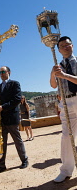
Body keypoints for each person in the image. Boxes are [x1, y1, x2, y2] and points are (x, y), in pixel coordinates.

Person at [50, 36, 77, 182]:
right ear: (59, 50)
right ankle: (66, 170)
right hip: (66, 102)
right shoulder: (58, 65)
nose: (65, 47)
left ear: (72, 46)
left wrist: (65, 75)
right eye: (62, 46)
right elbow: (53, 85)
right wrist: (53, 73)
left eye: (68, 45)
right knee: (66, 137)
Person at [0, 66, 28, 174]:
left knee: (17, 140)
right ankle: (1, 165)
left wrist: (3, 107)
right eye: (0, 72)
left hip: (12, 117)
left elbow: (17, 99)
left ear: (9, 72)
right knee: (2, 143)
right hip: (2, 119)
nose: (1, 74)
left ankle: (24, 160)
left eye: (3, 71)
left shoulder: (14, 84)